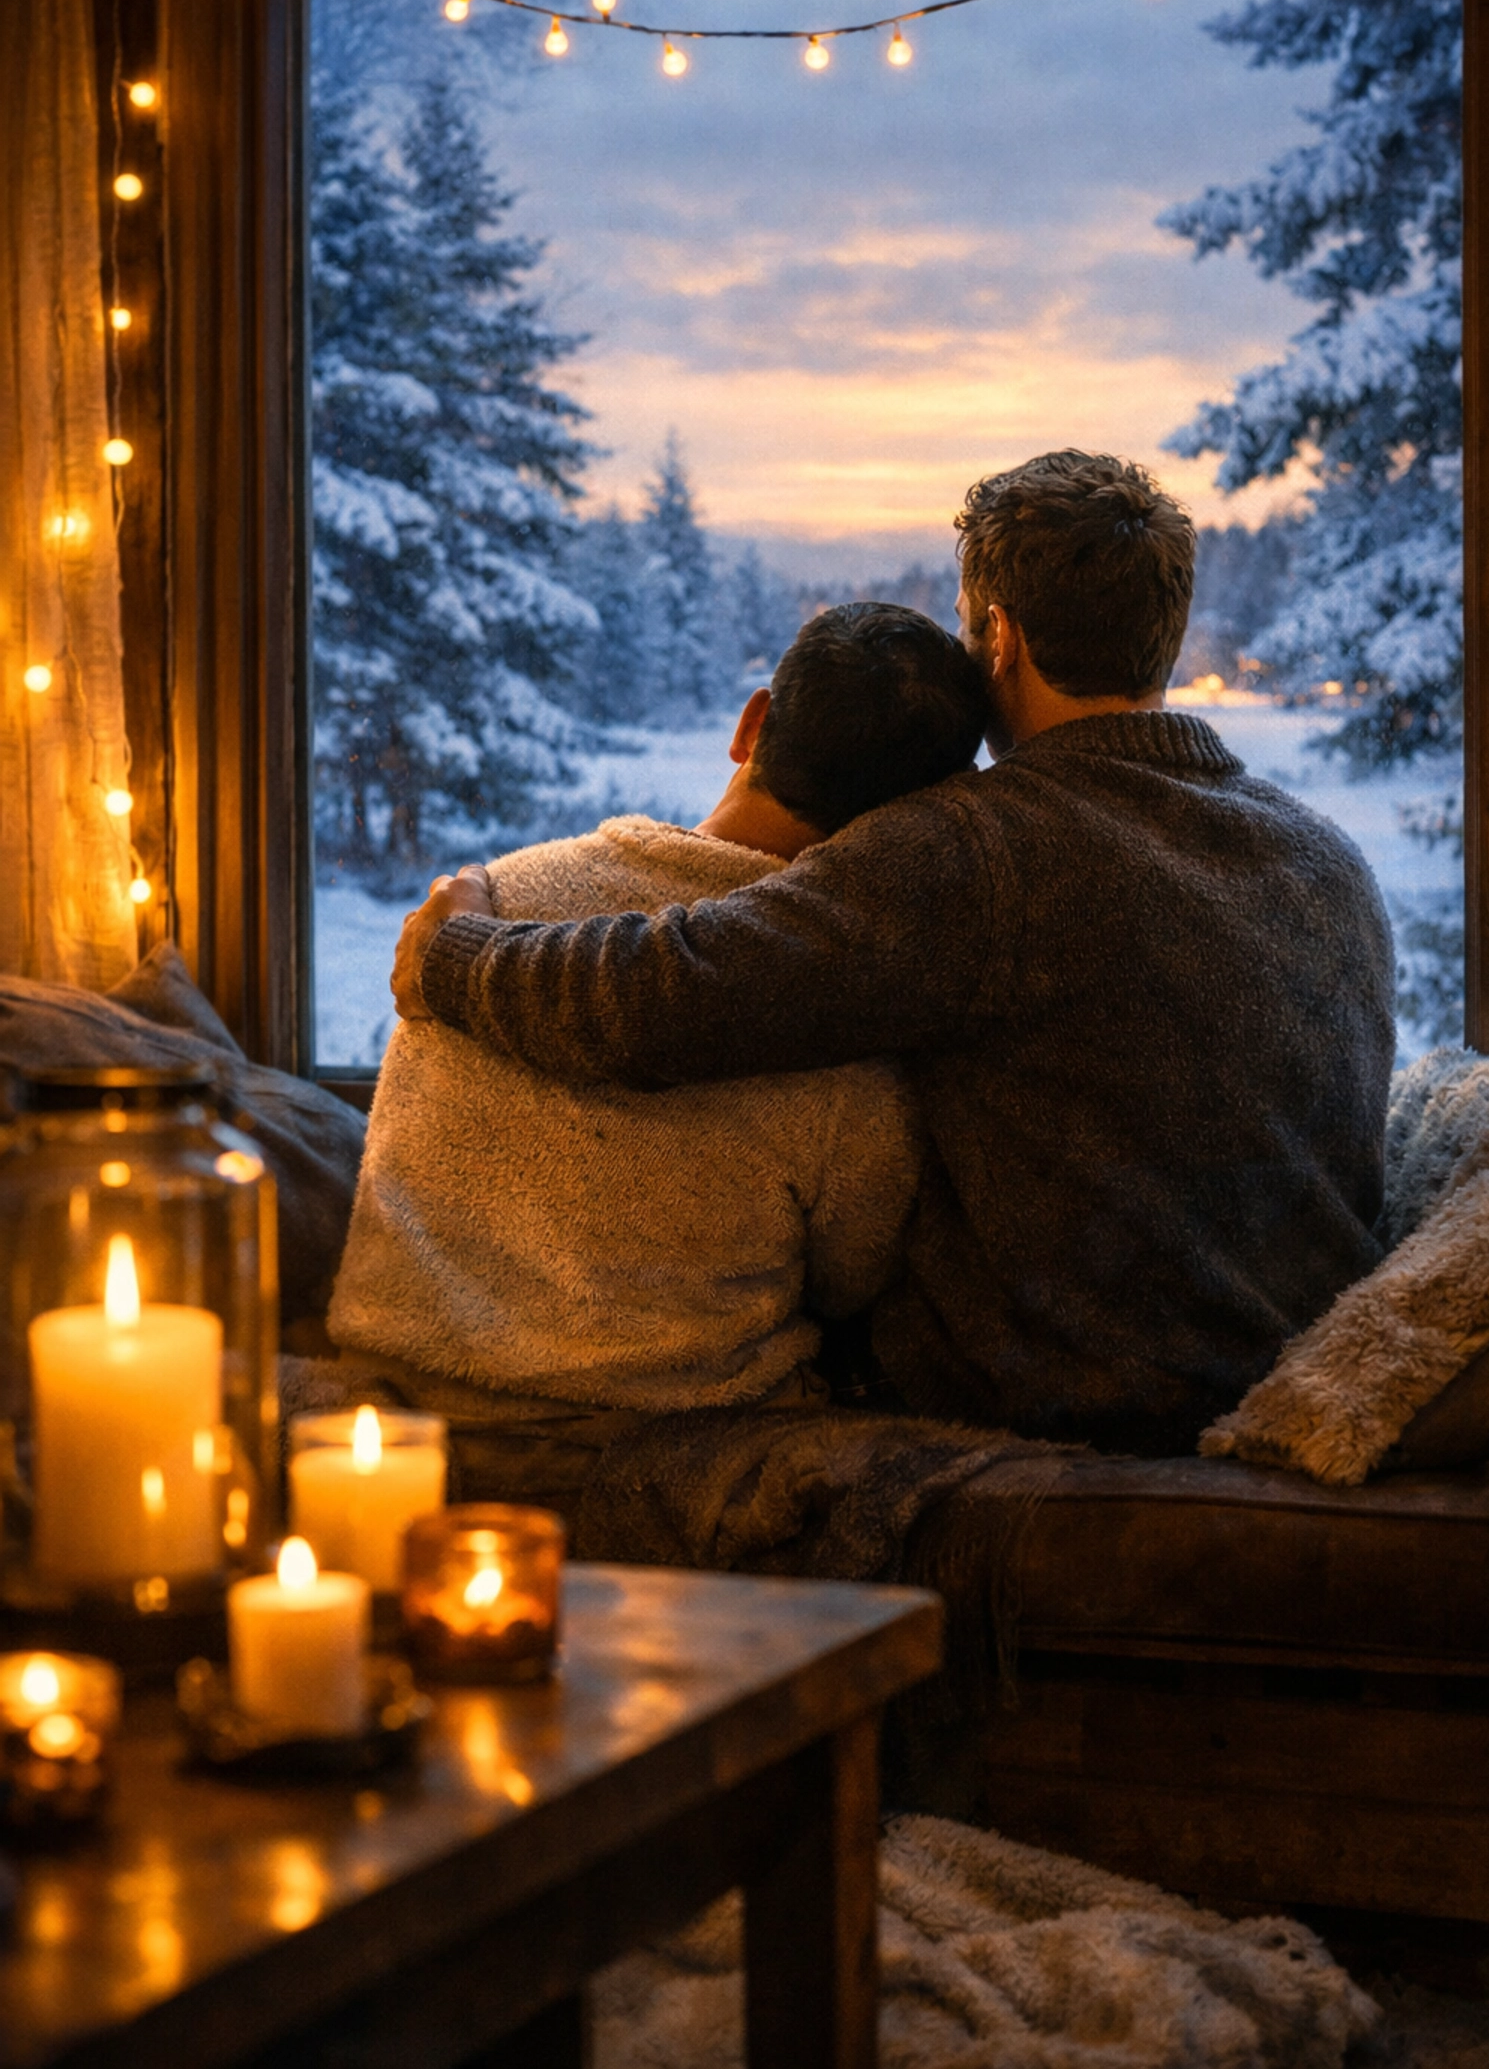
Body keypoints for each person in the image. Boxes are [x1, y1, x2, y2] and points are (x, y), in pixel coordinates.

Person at [395, 451, 1396, 1456]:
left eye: (970, 627)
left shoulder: (986, 846)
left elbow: (676, 989)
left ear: (998, 637)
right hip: (1282, 1374)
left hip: (1077, 1403)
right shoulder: (1328, 857)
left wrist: (458, 956)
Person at [330, 602, 988, 1416]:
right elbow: (855, 1279)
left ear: (752, 725)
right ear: (921, 816)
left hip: (388, 1412)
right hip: (654, 1439)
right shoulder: (839, 1030)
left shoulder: (485, 903)